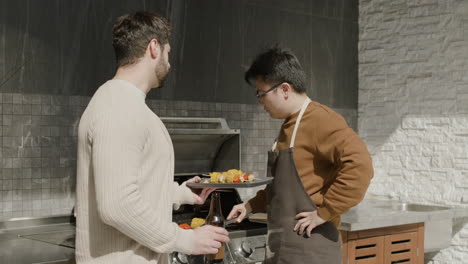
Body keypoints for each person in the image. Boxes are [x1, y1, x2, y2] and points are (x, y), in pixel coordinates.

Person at [75, 12, 229, 264]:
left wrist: (185, 194)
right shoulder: (118, 108)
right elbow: (118, 205)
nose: (169, 63)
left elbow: (137, 184)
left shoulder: (126, 105)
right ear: (154, 48)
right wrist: (187, 240)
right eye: (168, 53)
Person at [227, 46, 373, 263]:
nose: (260, 102)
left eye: (261, 93)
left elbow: (361, 167)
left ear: (284, 89)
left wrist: (324, 211)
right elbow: (281, 188)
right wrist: (249, 206)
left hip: (311, 249)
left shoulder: (322, 120)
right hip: (283, 249)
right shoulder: (288, 125)